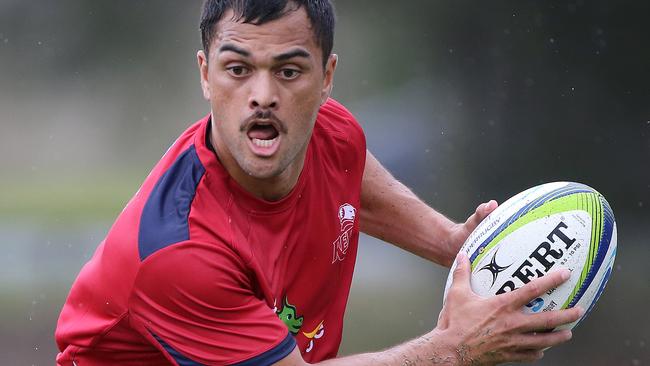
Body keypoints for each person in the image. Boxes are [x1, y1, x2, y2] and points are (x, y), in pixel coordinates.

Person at [55, 1, 582, 365]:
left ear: (327, 77)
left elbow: (351, 179)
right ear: (204, 74)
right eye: (238, 69)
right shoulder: (178, 253)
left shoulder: (332, 135)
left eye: (289, 71)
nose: (262, 94)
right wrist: (455, 348)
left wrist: (457, 246)